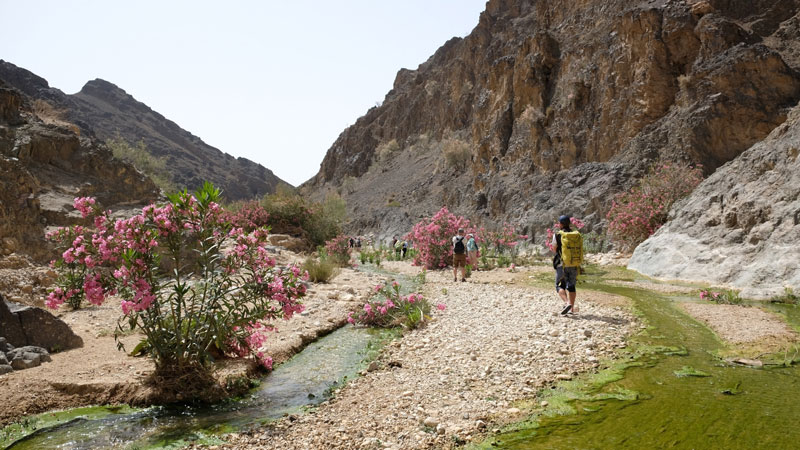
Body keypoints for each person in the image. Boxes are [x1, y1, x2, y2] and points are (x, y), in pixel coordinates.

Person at [552, 215, 582, 315]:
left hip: (562, 264)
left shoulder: (557, 235)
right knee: (572, 286)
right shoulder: (575, 235)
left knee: (559, 285)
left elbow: (554, 249)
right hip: (574, 263)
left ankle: (567, 303)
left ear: (561, 224)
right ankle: (571, 308)